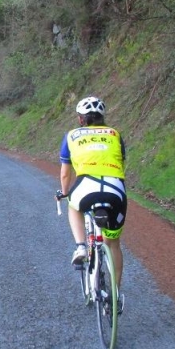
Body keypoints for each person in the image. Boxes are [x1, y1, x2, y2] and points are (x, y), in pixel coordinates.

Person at [58, 96, 127, 311]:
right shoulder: (115, 134)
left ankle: (80, 247)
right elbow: (121, 162)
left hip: (86, 188)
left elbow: (65, 174)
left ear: (80, 119)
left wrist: (63, 192)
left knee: (73, 205)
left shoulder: (71, 136)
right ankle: (114, 296)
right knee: (113, 244)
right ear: (102, 118)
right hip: (116, 190)